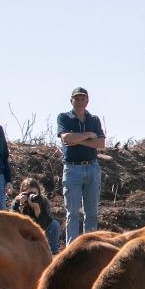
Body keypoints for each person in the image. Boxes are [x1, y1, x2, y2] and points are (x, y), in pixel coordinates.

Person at [56, 87, 106, 243]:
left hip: (92, 168)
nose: (79, 102)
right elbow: (66, 139)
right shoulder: (64, 117)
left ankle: (90, 246)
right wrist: (89, 136)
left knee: (91, 213)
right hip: (72, 169)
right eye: (76, 99)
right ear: (71, 101)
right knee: (72, 213)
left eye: (82, 98)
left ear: (87, 101)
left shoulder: (94, 119)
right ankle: (72, 248)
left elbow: (101, 143)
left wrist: (77, 140)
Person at [11, 176, 61, 254]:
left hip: (38, 231)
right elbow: (14, 223)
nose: (32, 196)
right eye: (29, 193)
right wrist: (21, 205)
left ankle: (52, 252)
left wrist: (36, 209)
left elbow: (45, 224)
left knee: (54, 225)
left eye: (34, 194)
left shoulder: (43, 201)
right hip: (23, 233)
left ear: (39, 192)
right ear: (22, 193)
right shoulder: (16, 202)